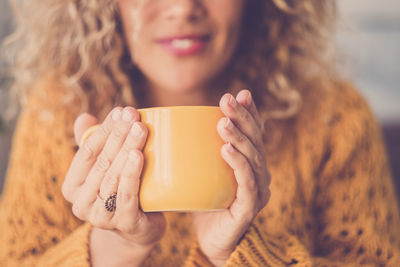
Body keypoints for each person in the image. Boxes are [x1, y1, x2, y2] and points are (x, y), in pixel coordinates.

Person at [0, 0, 399, 266]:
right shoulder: (58, 112)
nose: (183, 8)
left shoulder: (335, 118)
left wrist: (233, 251)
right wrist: (115, 246)